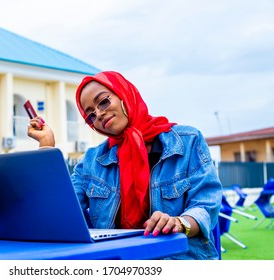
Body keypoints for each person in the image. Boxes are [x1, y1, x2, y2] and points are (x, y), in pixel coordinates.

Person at [27, 71, 222, 260]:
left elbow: (206, 205)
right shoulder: (91, 162)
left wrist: (179, 223)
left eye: (103, 101)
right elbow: (59, 210)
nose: (99, 114)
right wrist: (46, 146)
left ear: (123, 94)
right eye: (91, 116)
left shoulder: (187, 142)